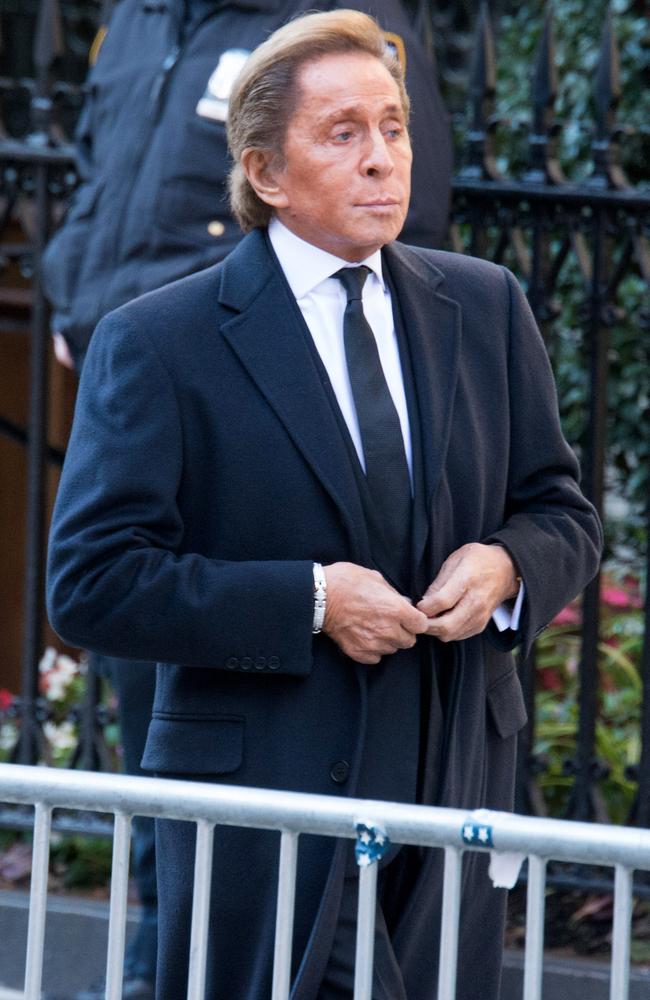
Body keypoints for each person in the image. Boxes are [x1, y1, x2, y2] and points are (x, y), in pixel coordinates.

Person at [46, 10, 602, 999]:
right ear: (265, 172)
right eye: (342, 133)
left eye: (391, 127)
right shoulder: (161, 341)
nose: (383, 159)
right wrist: (310, 601)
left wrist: (507, 566)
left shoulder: (483, 305)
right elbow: (92, 584)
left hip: (449, 800)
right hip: (268, 812)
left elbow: (559, 509)